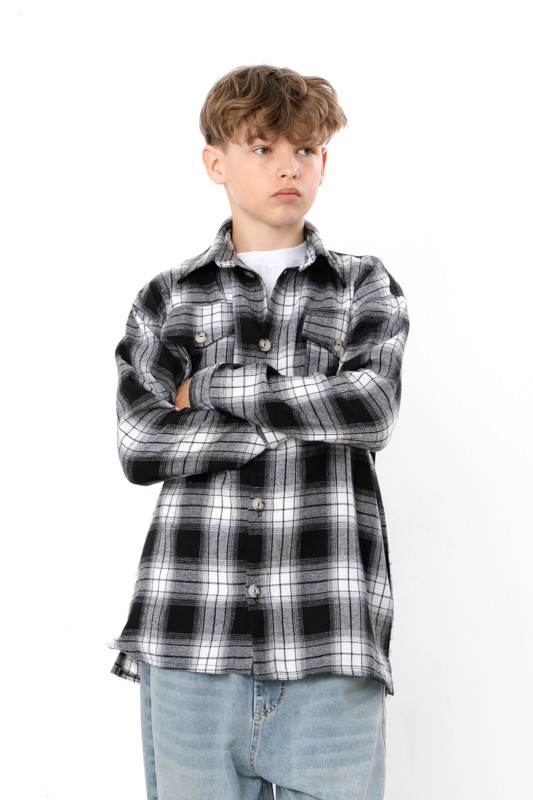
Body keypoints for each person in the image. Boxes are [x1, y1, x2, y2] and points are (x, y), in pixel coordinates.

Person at [110, 65, 409, 800]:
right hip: (189, 632)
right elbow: (141, 442)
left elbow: (370, 409)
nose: (288, 167)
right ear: (215, 162)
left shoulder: (363, 286)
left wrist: (213, 387)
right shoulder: (167, 297)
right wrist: (296, 424)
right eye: (263, 147)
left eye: (304, 150)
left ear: (324, 162)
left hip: (328, 636)